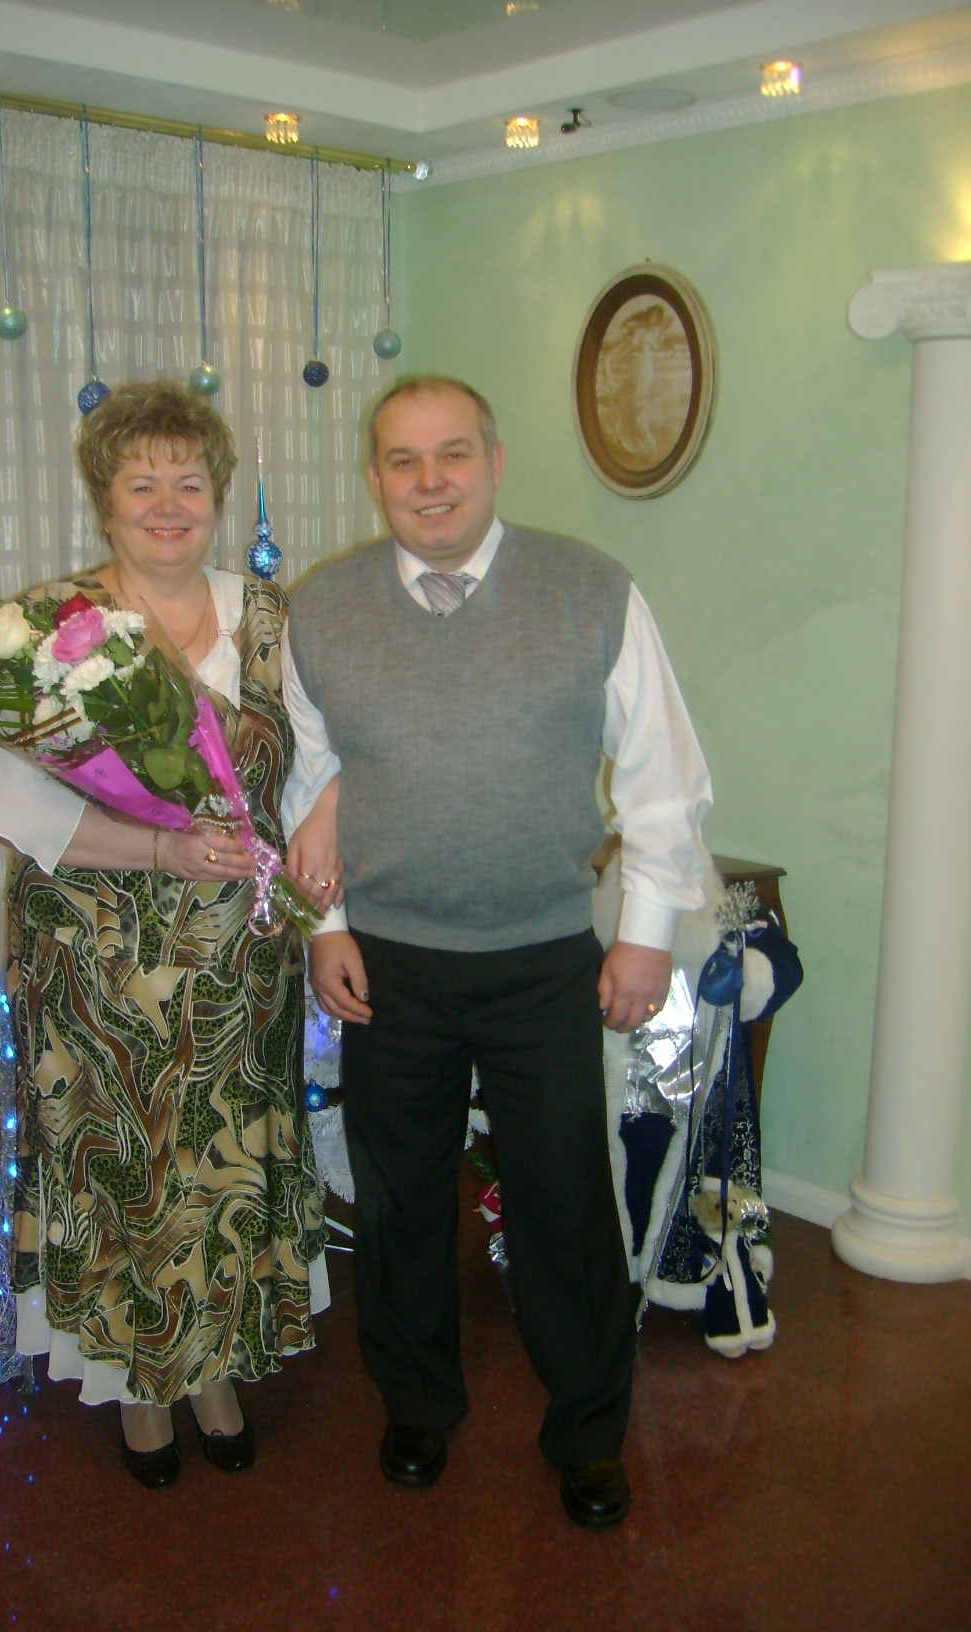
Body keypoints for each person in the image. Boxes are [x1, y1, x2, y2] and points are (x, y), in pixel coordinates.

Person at [280, 376, 712, 1529]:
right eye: (403, 460)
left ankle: (588, 1431)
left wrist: (645, 939)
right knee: (400, 1201)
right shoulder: (323, 609)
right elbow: (310, 784)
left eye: (453, 454)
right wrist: (325, 929)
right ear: (374, 476)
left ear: (495, 461)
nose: (430, 482)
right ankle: (417, 1404)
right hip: (388, 960)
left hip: (540, 956)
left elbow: (664, 780)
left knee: (565, 1205)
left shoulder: (590, 591)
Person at [0, 380, 340, 1489]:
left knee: (220, 1168)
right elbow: (17, 809)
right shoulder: (46, 627)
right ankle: (137, 1383)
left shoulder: (270, 617)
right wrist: (162, 852)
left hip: (237, 962)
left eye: (189, 482)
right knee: (124, 1165)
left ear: (217, 494)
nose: (169, 504)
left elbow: (318, 761)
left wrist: (317, 842)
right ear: (104, 498)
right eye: (143, 483)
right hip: (96, 961)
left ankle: (213, 1367)